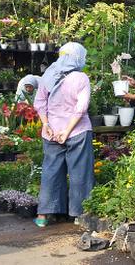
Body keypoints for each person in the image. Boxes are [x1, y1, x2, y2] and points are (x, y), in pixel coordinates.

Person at [33, 42, 94, 228]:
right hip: (77, 132)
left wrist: (46, 124)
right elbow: (81, 108)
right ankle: (78, 215)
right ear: (78, 57)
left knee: (51, 172)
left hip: (51, 132)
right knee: (80, 174)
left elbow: (39, 103)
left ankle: (44, 215)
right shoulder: (81, 78)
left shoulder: (48, 75)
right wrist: (67, 131)